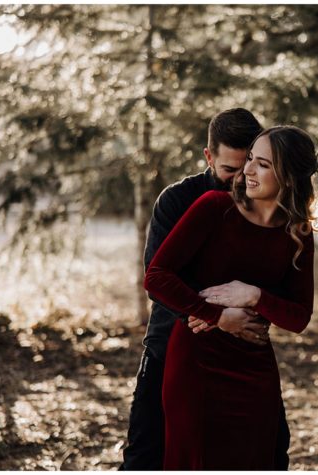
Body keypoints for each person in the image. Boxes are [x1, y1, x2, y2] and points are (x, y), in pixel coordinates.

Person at [121, 108, 292, 470]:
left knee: (271, 452)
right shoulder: (177, 200)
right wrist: (213, 314)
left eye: (249, 166)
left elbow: (275, 279)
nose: (240, 179)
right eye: (229, 170)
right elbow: (157, 279)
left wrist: (250, 304)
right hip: (172, 341)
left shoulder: (268, 205)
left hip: (244, 352)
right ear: (208, 156)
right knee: (146, 453)